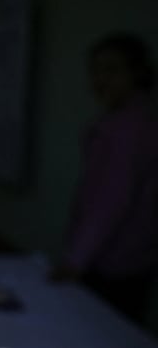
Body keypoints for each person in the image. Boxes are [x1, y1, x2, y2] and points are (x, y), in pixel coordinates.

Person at [52, 32, 158, 325]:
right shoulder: (123, 121)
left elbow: (111, 201)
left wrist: (76, 260)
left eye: (112, 70)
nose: (100, 80)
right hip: (122, 258)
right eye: (95, 71)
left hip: (114, 262)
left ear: (137, 72)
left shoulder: (131, 129)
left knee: (98, 330)